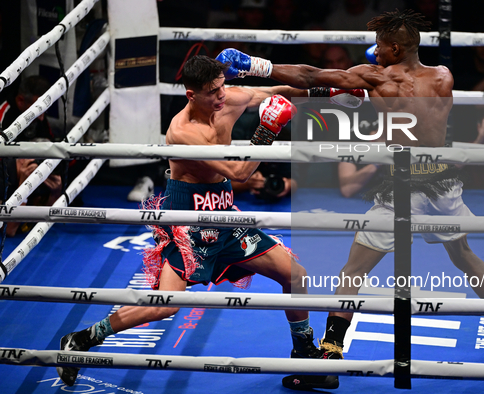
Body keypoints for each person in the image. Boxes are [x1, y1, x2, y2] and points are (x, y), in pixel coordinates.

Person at [217, 9, 484, 390]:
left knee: (353, 271)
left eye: (380, 46)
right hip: (444, 182)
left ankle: (330, 357)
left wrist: (256, 65)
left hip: (404, 188)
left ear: (395, 47)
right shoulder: (443, 76)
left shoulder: (377, 77)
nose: (374, 51)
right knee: (463, 255)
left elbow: (311, 75)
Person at [56, 55, 338, 388]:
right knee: (165, 306)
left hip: (224, 212)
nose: (222, 97)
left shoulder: (228, 97)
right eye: (212, 92)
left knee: (295, 275)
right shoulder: (183, 132)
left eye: (222, 87)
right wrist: (267, 130)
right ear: (192, 95)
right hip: (188, 220)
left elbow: (279, 92)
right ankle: (84, 338)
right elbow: (240, 171)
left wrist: (328, 91)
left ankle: (303, 352)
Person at [0, 76, 63, 236]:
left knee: (57, 168)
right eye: (38, 110)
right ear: (21, 101)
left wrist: (55, 193)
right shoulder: (4, 118)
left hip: (22, 172)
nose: (42, 116)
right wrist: (23, 188)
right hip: (7, 177)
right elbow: (11, 231)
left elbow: (47, 144)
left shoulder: (37, 112)